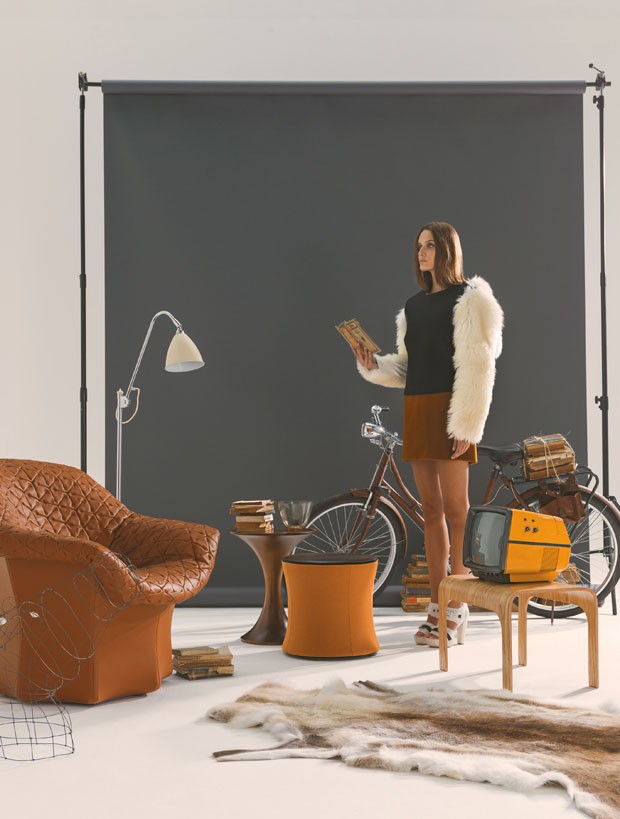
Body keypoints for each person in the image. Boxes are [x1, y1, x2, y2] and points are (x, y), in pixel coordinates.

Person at [351, 221, 503, 648]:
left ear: (447, 250)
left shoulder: (470, 299)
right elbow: (407, 367)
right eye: (419, 245)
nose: (421, 252)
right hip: (417, 409)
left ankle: (457, 607)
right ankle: (437, 604)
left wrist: (467, 424)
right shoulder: (412, 308)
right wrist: (372, 364)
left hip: (453, 409)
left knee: (457, 511)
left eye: (430, 245)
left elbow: (480, 365)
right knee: (431, 512)